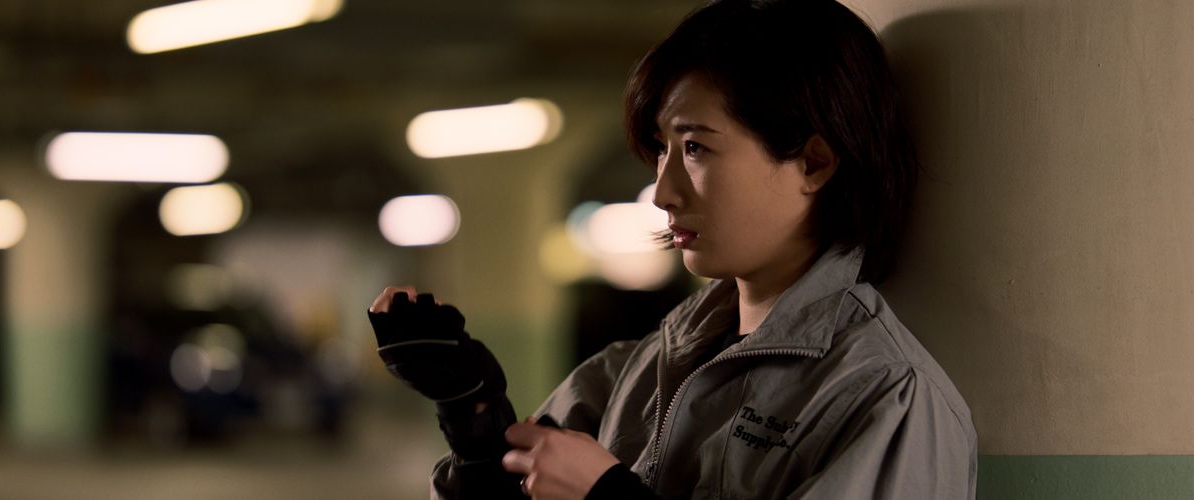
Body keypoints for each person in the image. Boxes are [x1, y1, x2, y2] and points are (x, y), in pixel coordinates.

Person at [367, 0, 978, 498]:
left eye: (695, 148)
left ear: (813, 162)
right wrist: (473, 415)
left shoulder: (881, 395)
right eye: (663, 148)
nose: (662, 191)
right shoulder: (642, 366)